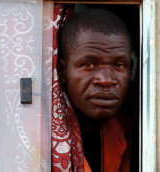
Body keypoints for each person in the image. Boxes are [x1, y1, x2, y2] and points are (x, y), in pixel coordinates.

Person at [53, 8, 133, 172]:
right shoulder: (39, 132)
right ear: (62, 71)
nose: (105, 80)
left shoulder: (127, 129)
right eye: (89, 65)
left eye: (119, 65)